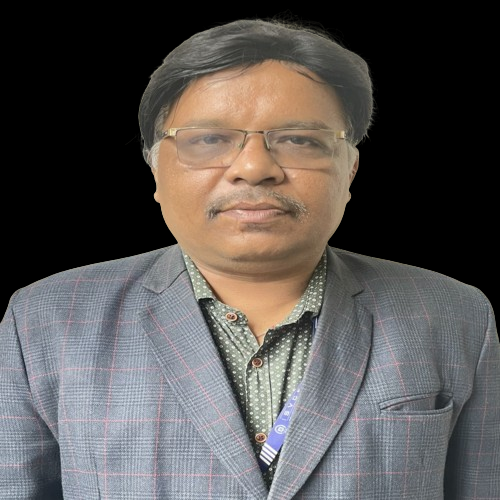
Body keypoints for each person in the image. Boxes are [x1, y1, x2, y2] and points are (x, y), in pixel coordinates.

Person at [0, 17, 498, 500]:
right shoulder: (45, 320)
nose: (255, 168)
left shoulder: (454, 315)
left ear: (349, 169)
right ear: (154, 167)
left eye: (298, 139)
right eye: (209, 139)